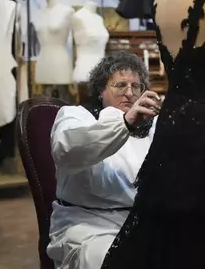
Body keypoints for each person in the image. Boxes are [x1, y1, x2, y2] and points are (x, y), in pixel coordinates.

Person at [47, 51, 160, 269]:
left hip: (146, 222)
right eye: (120, 85)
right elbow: (67, 150)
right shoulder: (75, 116)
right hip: (89, 226)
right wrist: (125, 124)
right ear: (101, 90)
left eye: (136, 86)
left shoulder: (153, 125)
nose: (129, 93)